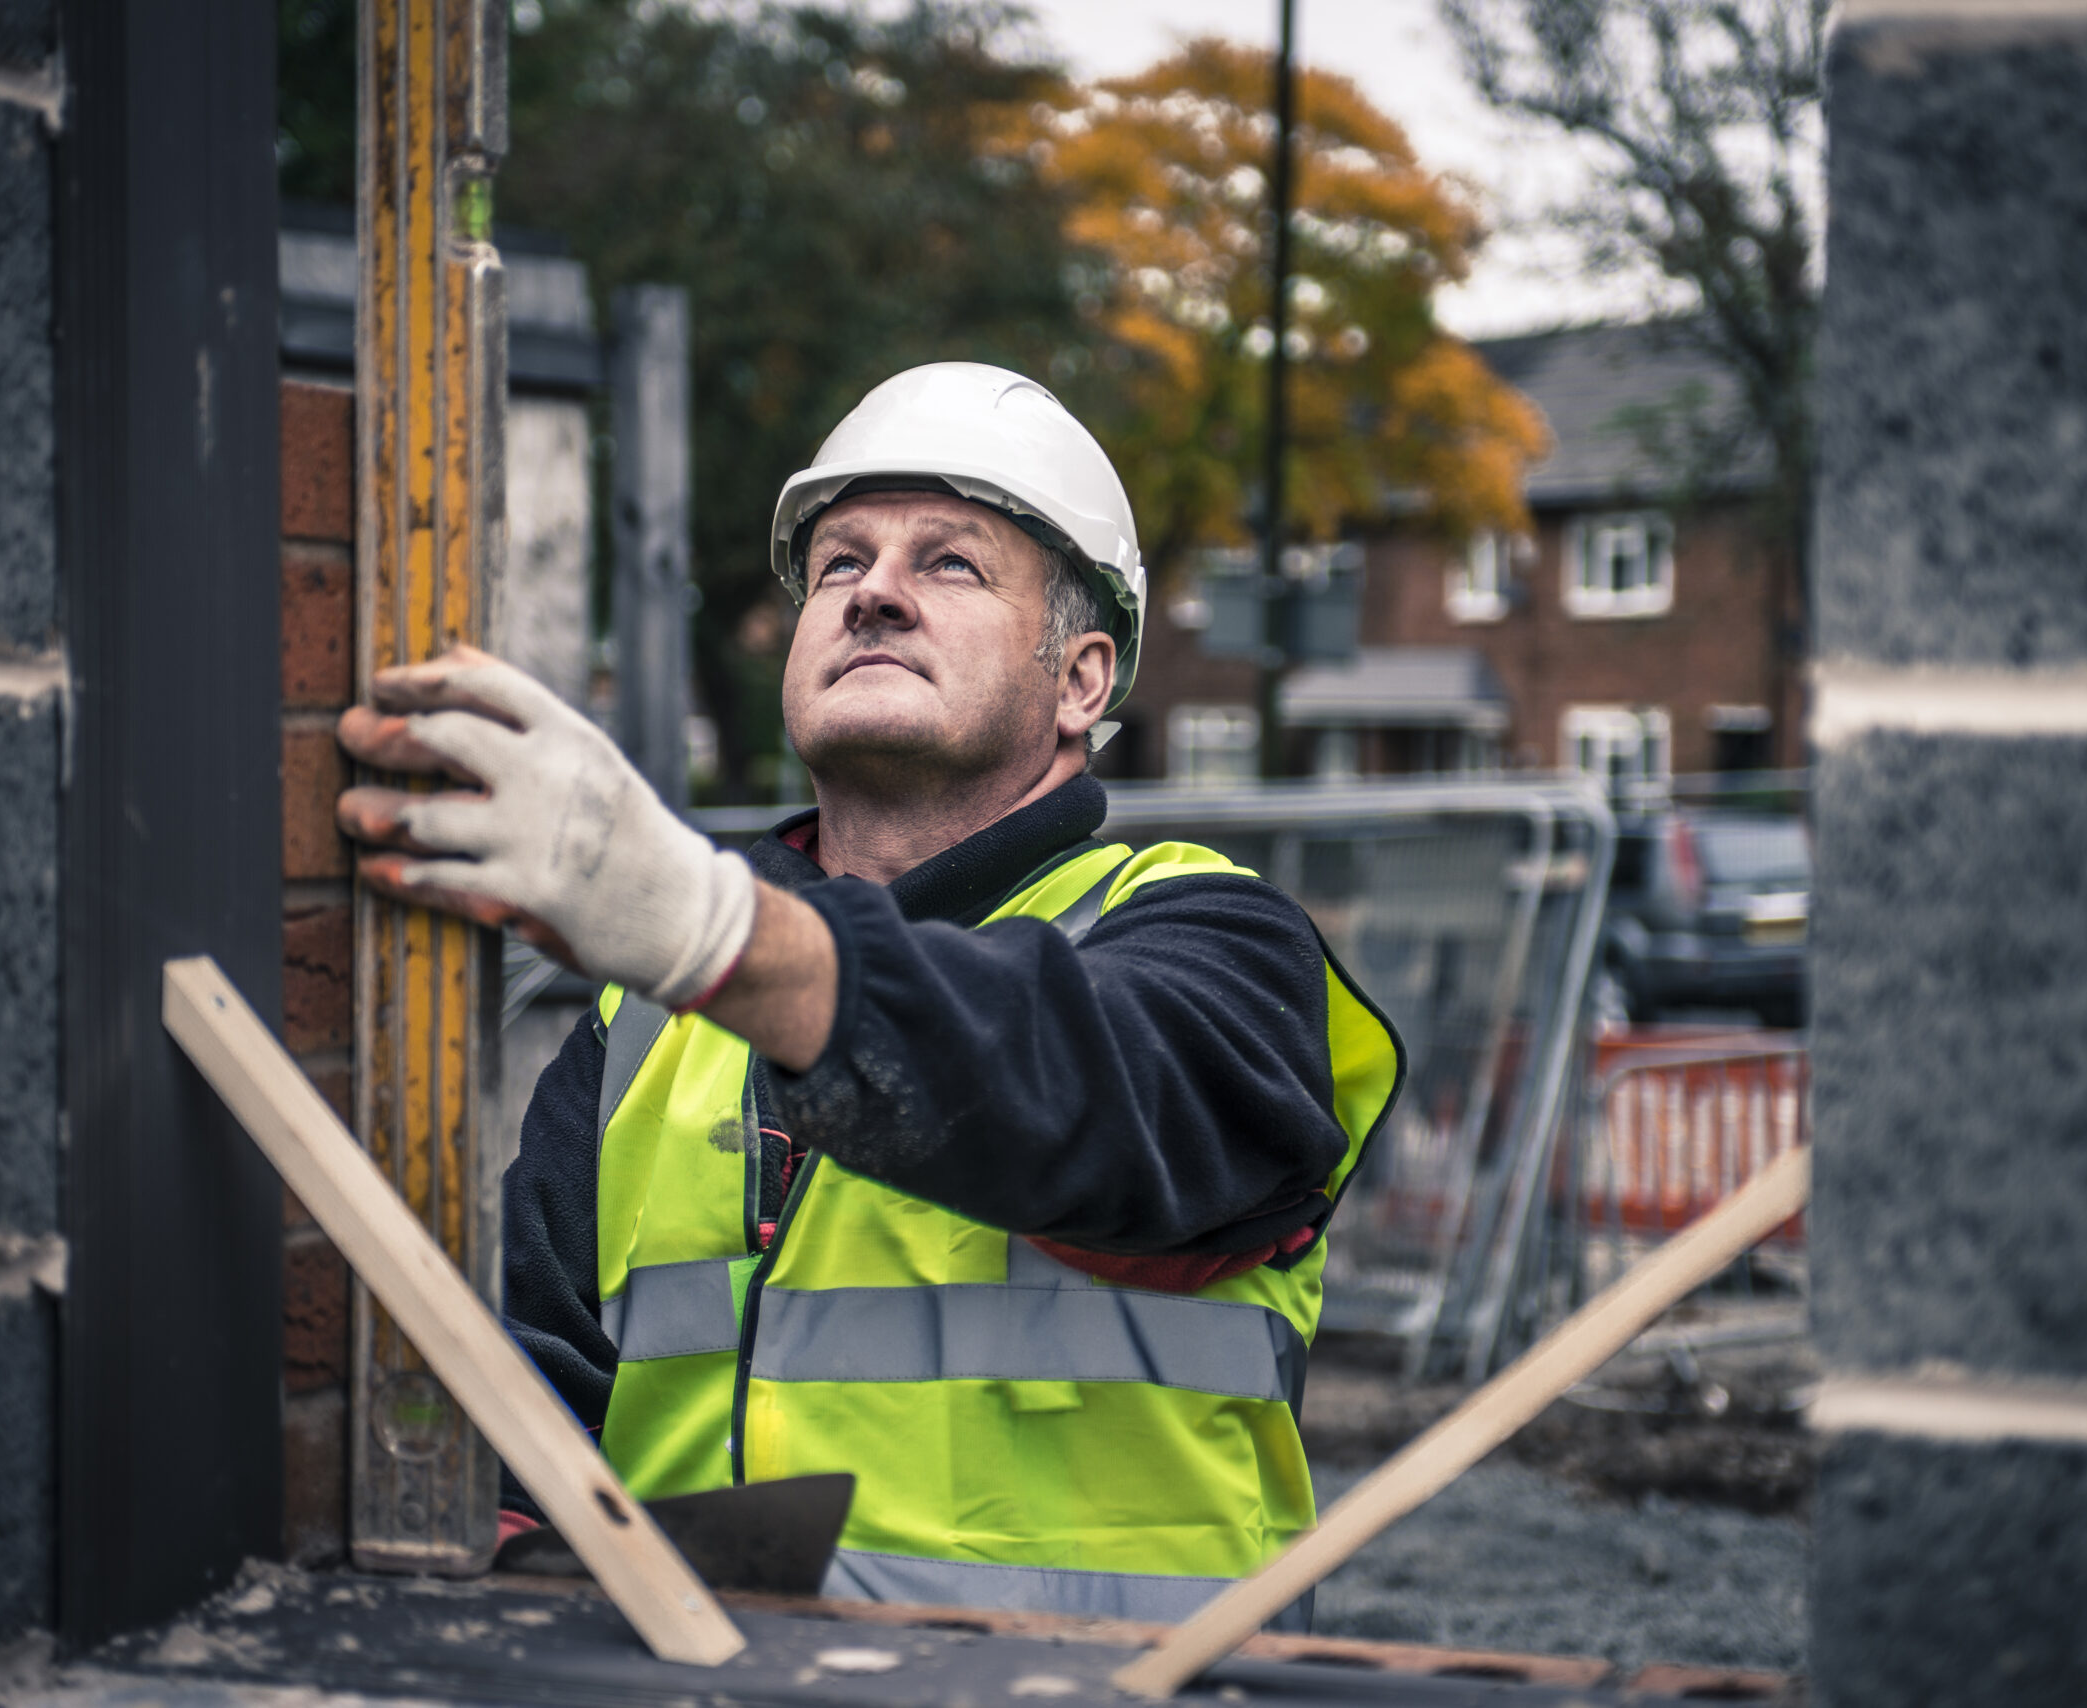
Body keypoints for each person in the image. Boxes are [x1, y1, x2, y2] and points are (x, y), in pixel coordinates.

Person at [334, 363, 1401, 1623]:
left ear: (1083, 681)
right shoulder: (647, 1023)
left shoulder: (1211, 941)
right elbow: (538, 1384)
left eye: (949, 563)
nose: (875, 593)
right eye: (838, 563)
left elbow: (1068, 1088)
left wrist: (711, 926)